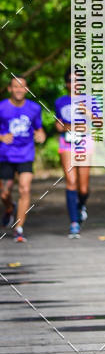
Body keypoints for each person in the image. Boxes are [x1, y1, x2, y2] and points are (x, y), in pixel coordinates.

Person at [0, 75, 46, 243]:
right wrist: (1, 137)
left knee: (24, 189)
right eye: (15, 87)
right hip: (5, 155)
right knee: (5, 193)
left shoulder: (34, 108)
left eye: (22, 87)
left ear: (26, 89)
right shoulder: (2, 107)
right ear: (10, 89)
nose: (19, 90)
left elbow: (38, 129)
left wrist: (41, 135)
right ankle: (9, 208)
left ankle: (19, 228)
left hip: (26, 154)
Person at [55, 68, 96, 238]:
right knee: (71, 182)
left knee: (83, 187)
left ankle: (81, 205)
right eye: (71, 81)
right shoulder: (60, 102)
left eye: (77, 81)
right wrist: (64, 126)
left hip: (84, 142)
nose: (74, 84)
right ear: (66, 83)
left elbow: (98, 122)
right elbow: (57, 124)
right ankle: (74, 223)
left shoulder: (90, 99)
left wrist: (86, 113)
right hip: (67, 143)